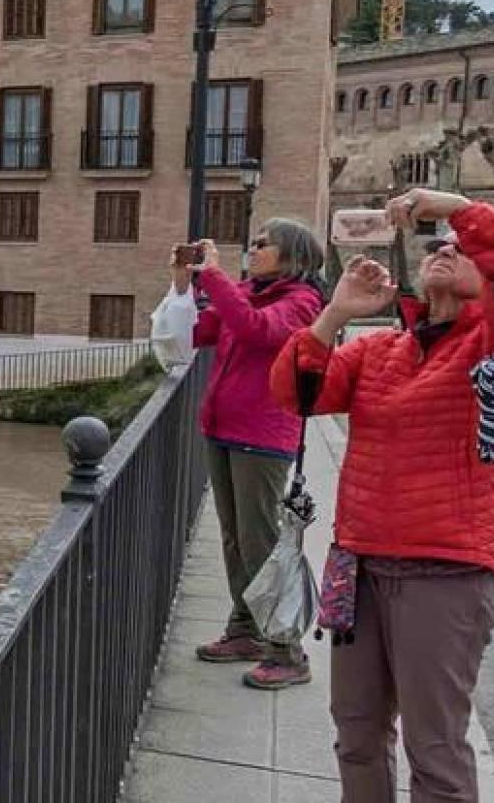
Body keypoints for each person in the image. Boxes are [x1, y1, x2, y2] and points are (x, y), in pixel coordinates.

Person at [270, 189, 494, 803]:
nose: (444, 251)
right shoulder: (378, 350)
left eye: (460, 250)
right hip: (360, 567)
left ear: (488, 278)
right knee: (357, 736)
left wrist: (454, 207)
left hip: (445, 574)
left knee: (435, 751)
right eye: (436, 248)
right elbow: (298, 395)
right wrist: (335, 314)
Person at [174, 217, 326, 690]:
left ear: (292, 255)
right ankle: (245, 629)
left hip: (262, 435)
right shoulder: (248, 292)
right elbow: (200, 332)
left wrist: (215, 278)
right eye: (254, 241)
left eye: (264, 244)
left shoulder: (302, 302)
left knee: (261, 543)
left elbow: (258, 331)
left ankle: (287, 650)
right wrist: (183, 285)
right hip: (222, 429)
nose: (253, 249)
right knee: (235, 538)